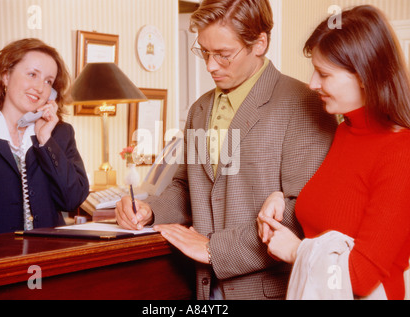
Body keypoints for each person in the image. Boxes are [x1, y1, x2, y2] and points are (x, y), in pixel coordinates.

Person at [117, 0, 337, 300]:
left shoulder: (305, 104)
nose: (210, 65)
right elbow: (186, 187)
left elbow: (302, 211)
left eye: (222, 55)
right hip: (204, 288)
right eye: (204, 52)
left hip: (270, 291)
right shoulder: (199, 109)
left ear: (260, 43)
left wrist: (213, 249)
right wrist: (149, 211)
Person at [258, 5, 410, 300]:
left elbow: (359, 277)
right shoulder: (345, 131)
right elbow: (333, 221)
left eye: (324, 74)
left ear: (365, 75)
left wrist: (295, 251)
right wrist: (279, 199)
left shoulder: (401, 152)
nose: (313, 83)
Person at [0, 38, 89, 238]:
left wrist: (45, 140)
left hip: (49, 258)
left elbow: (72, 200)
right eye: (32, 75)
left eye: (48, 81)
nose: (40, 88)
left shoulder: (60, 135)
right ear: (5, 76)